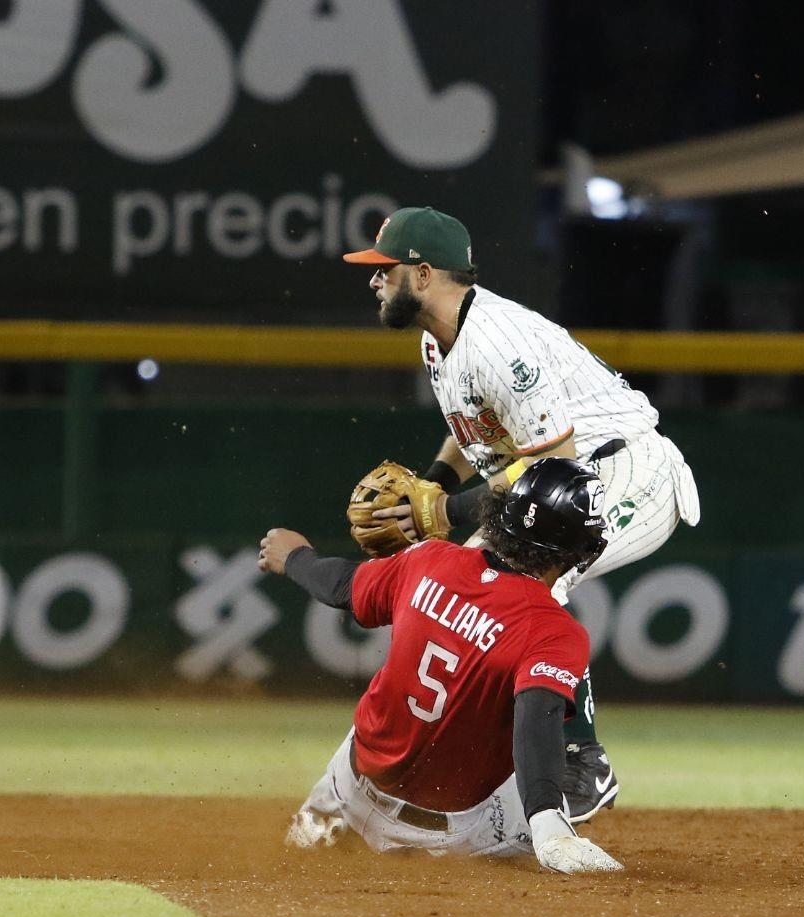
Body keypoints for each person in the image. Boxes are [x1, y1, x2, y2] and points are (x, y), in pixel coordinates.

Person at [341, 206, 701, 822]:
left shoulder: (497, 344)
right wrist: (431, 486)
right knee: (457, 585)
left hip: (625, 470)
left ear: (423, 274)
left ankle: (583, 756)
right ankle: (457, 762)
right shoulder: (440, 338)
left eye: (386, 269)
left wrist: (445, 510)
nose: (374, 280)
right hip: (553, 482)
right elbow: (473, 430)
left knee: (530, 579)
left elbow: (554, 461)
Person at [258, 458, 623, 873]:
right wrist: (548, 823)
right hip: (448, 834)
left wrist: (295, 557)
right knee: (546, 802)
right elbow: (537, 723)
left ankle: (321, 822)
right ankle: (562, 793)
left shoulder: (429, 559)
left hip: (348, 788)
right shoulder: (555, 631)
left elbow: (343, 586)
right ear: (581, 550)